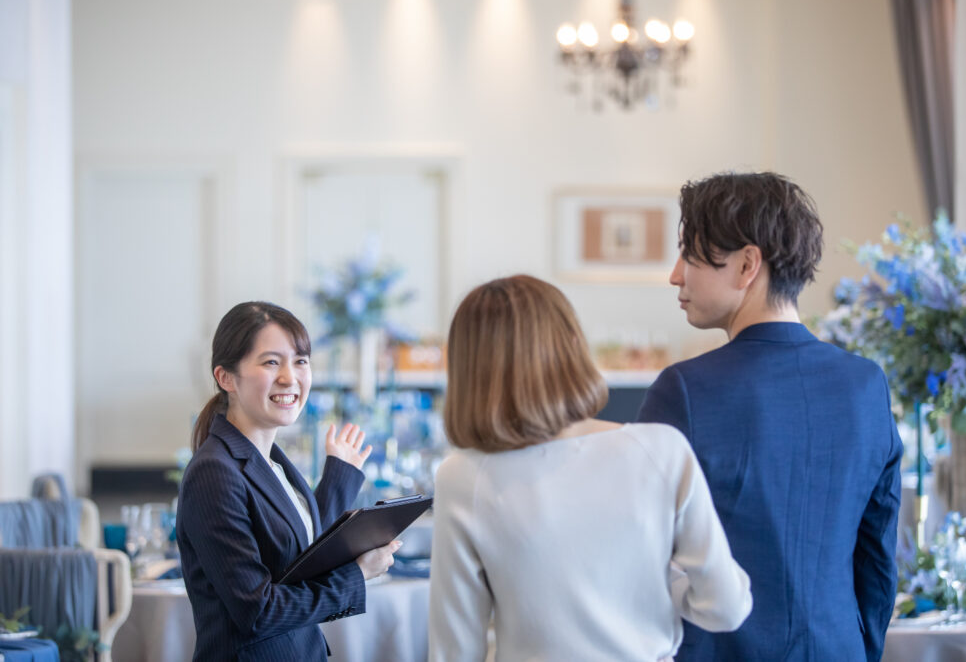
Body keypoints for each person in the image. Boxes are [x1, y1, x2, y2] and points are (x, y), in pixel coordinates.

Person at [636, 172, 903, 661]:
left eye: (689, 254)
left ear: (746, 264)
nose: (676, 275)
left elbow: (638, 553)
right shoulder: (867, 386)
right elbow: (878, 556)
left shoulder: (684, 391)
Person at [428, 275, 751, 661]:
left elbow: (455, 650)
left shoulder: (462, 476)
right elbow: (725, 608)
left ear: (468, 370)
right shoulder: (661, 449)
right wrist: (664, 581)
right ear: (572, 345)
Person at [176, 301, 401, 661]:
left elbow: (301, 562)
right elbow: (259, 612)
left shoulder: (274, 462)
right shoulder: (214, 472)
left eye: (300, 361)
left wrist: (338, 478)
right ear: (226, 377)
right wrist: (357, 575)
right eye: (271, 362)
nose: (290, 377)